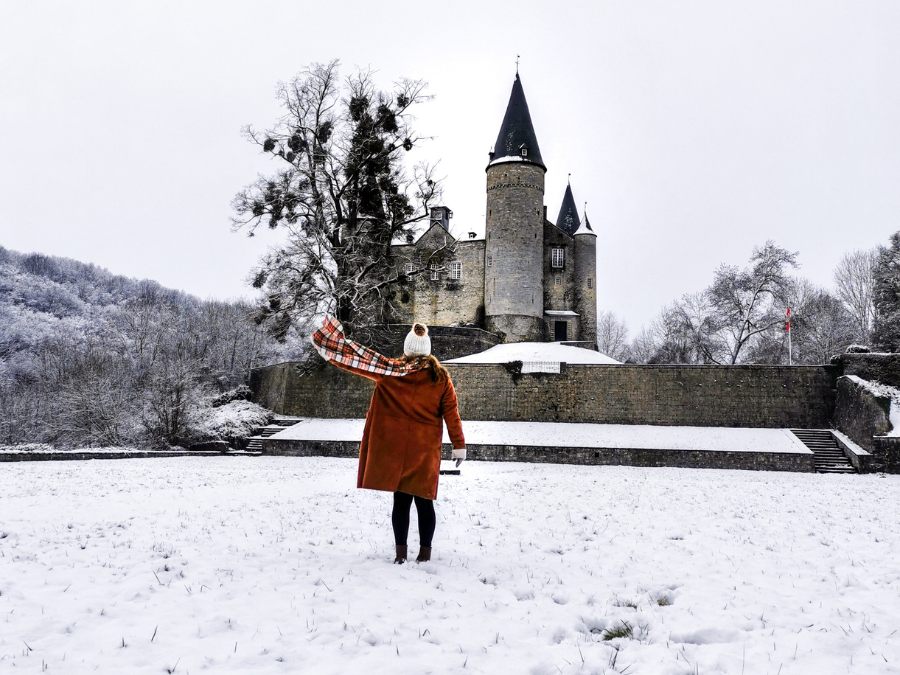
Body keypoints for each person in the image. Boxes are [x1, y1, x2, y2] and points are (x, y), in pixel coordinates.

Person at [311, 317, 466, 564]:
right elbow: (452, 413)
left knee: (401, 502)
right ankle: (425, 555)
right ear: (427, 350)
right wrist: (459, 446)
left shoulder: (390, 371)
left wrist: (333, 352)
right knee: (425, 503)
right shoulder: (441, 378)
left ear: (407, 348)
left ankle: (401, 555)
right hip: (425, 451)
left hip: (397, 450)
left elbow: (358, 363)